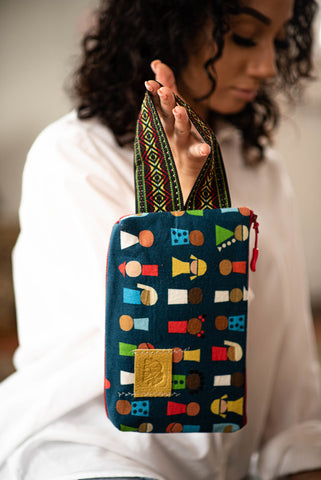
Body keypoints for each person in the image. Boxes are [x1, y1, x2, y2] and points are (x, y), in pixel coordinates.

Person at [0, 0, 320, 478]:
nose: (269, 65)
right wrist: (188, 201)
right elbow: (154, 348)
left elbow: (293, 363)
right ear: (173, 25)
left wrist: (300, 456)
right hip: (94, 454)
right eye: (245, 37)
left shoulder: (262, 169)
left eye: (277, 40)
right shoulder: (72, 155)